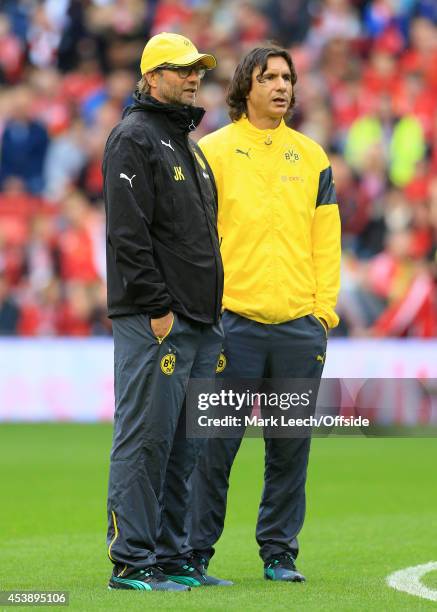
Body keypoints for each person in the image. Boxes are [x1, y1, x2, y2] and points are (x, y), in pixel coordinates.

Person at [190, 47, 341, 582]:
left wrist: (323, 313)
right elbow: (196, 240)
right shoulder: (213, 151)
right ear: (245, 86)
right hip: (232, 324)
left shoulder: (313, 156)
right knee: (213, 449)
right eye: (268, 76)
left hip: (300, 327)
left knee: (289, 452)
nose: (281, 85)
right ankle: (194, 554)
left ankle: (279, 553)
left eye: (287, 77)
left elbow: (326, 241)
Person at [103, 32, 228, 592]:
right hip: (158, 321)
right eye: (180, 69)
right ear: (151, 77)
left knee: (186, 448)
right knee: (146, 438)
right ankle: (131, 559)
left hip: (201, 323)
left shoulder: (189, 145)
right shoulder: (133, 138)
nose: (193, 77)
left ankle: (174, 554)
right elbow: (128, 235)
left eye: (197, 68)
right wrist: (157, 308)